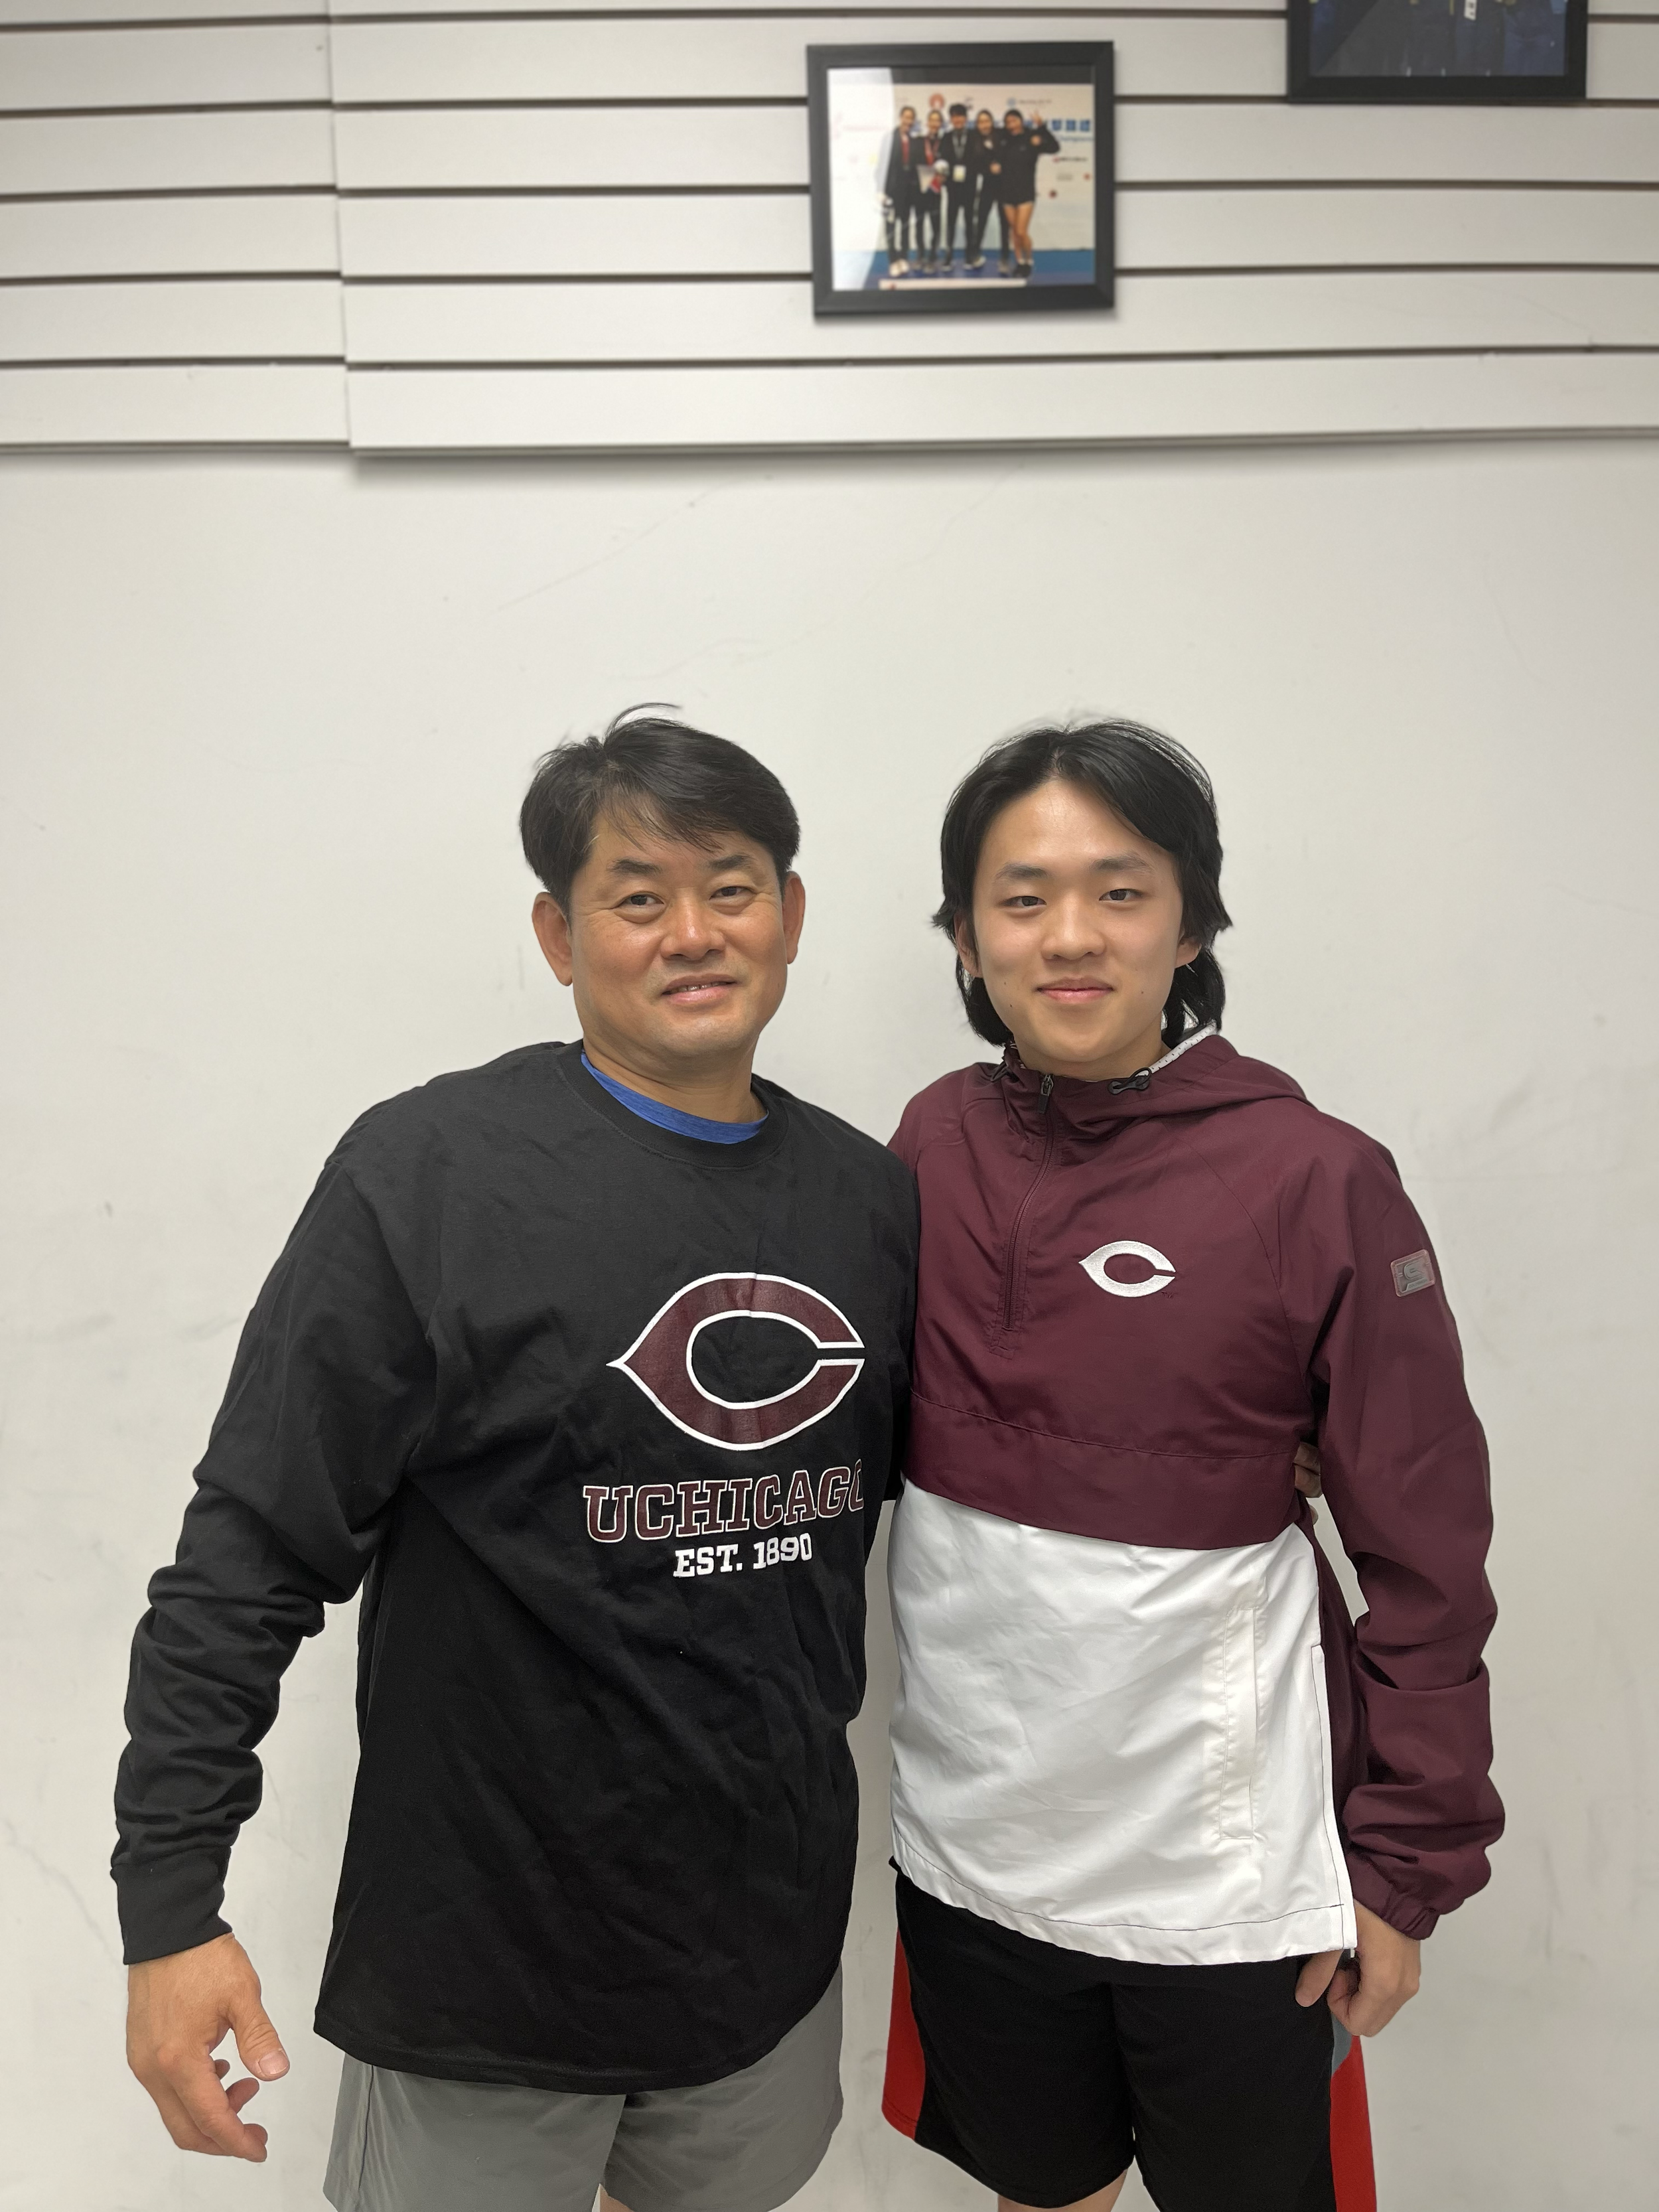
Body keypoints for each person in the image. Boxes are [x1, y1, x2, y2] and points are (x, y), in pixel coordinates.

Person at [115, 711, 918, 2212]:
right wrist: (171, 1909)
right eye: (635, 895)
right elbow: (248, 1554)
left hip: (762, 1966)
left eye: (732, 885)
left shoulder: (870, 1203)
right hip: (488, 1970)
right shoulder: (426, 1177)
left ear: (792, 913)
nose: (691, 931)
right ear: (558, 934)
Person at [881, 721, 1501, 2211]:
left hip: (1228, 1872)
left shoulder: (1315, 1177)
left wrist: (1400, 1864)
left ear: (1193, 919)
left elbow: (1424, 1554)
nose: (1069, 937)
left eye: (1121, 889)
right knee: (1038, 2187)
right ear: (963, 937)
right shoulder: (924, 1144)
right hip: (973, 1842)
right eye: (1020, 897)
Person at [993, 110, 1060, 280]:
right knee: (1014, 232)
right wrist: (993, 164)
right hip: (1006, 192)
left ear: (1021, 121)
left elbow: (1055, 148)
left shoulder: (1032, 137)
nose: (1011, 125)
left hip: (1025, 192)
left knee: (1022, 231)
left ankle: (1029, 261)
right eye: (1008, 122)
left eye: (1014, 121)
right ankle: (1020, 262)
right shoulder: (1003, 139)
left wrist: (1042, 128)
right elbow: (994, 157)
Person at [937, 104, 979, 273]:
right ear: (951, 119)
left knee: (970, 222)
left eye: (961, 116)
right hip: (952, 188)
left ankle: (970, 255)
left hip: (969, 186)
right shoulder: (946, 137)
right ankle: (949, 255)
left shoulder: (975, 136)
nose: (958, 120)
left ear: (966, 119)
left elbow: (979, 159)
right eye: (954, 117)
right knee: (951, 222)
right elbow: (942, 161)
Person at [880, 104, 922, 277]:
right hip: (890, 191)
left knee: (904, 226)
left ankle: (903, 258)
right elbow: (881, 166)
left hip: (907, 192)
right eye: (906, 117)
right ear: (900, 118)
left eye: (911, 118)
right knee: (890, 227)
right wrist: (881, 190)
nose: (908, 121)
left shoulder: (913, 141)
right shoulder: (889, 139)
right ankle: (893, 260)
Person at [968, 108, 1005, 274]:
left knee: (1005, 223)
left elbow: (1010, 156)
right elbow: (973, 164)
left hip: (1005, 187)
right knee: (981, 220)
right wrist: (989, 169)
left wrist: (1001, 166)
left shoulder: (1001, 135)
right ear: (977, 125)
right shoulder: (973, 140)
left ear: (992, 122)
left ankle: (1004, 257)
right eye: (981, 122)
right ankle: (975, 254)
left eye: (987, 121)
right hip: (987, 186)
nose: (984, 125)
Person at [916, 108, 948, 275]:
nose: (934, 123)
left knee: (936, 225)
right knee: (920, 224)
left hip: (936, 189)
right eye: (932, 120)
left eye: (938, 120)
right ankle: (920, 255)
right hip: (920, 189)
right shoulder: (919, 141)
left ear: (941, 124)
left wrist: (944, 176)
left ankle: (932, 257)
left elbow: (948, 164)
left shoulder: (944, 142)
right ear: (927, 122)